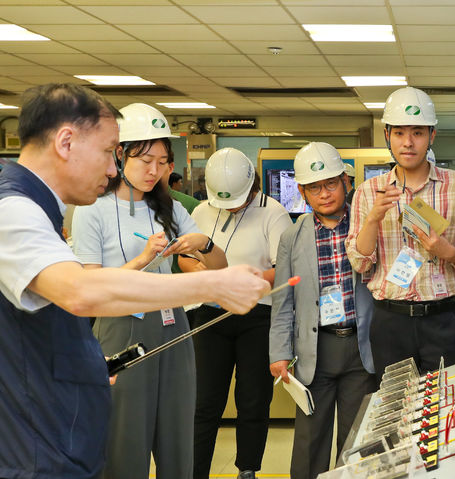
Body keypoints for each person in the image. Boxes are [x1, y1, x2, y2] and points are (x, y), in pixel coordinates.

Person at [0, 83, 269, 479]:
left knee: (175, 436)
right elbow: (79, 290)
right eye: (111, 152)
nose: (113, 168)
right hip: (35, 442)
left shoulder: (41, 207)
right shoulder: (16, 209)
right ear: (66, 141)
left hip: (63, 411)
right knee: (125, 445)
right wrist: (212, 286)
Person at [71, 102, 229, 479]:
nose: (154, 171)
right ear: (120, 154)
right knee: (126, 442)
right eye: (145, 161)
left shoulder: (170, 208)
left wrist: (204, 244)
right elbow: (90, 287)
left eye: (162, 162)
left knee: (178, 442)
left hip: (175, 328)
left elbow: (221, 269)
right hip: (119, 331)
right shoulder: (92, 209)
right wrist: (143, 259)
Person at [346, 87, 455, 378]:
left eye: (418, 133)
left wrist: (449, 252)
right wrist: (373, 219)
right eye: (399, 133)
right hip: (389, 320)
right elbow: (360, 262)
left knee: (445, 406)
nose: (408, 143)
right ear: (387, 135)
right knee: (395, 412)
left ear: (432, 135)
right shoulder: (368, 191)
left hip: (441, 319)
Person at [270, 142, 376, 479]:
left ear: (346, 181)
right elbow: (283, 300)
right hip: (316, 348)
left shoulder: (365, 227)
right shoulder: (292, 237)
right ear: (301, 191)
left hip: (361, 347)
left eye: (331, 183)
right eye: (314, 187)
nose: (324, 194)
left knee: (356, 437)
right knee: (309, 439)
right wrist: (280, 351)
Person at [184, 148, 292, 479]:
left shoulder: (272, 212)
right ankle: (194, 470)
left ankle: (248, 469)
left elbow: (283, 267)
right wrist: (211, 280)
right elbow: (185, 258)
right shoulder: (202, 211)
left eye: (238, 200)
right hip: (210, 315)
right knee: (203, 403)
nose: (231, 207)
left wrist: (250, 282)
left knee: (252, 400)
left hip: (256, 317)